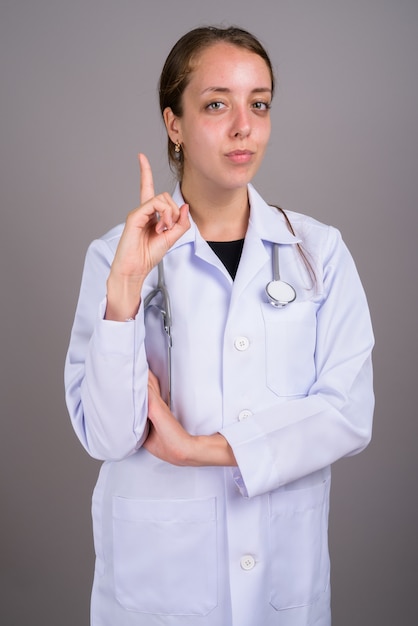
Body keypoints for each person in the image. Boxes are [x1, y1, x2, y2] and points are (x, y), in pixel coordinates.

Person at [64, 25, 374, 626]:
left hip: (284, 575)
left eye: (258, 104)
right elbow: (104, 437)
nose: (244, 126)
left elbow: (346, 412)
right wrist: (127, 286)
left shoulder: (317, 250)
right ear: (173, 124)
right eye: (215, 104)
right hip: (161, 582)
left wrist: (196, 450)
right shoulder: (115, 255)